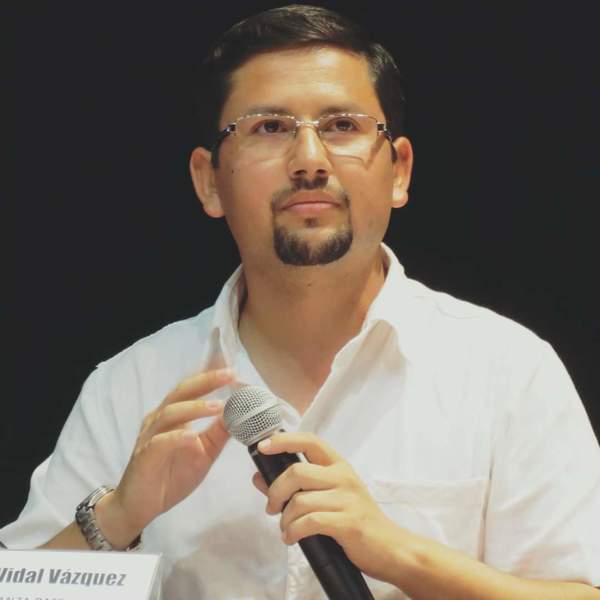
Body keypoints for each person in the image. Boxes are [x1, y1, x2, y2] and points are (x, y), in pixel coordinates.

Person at [2, 4, 599, 599]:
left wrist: (402, 556)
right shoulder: (131, 388)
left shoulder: (507, 370)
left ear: (399, 171)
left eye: (342, 125)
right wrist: (117, 516)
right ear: (209, 181)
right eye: (269, 127)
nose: (310, 160)